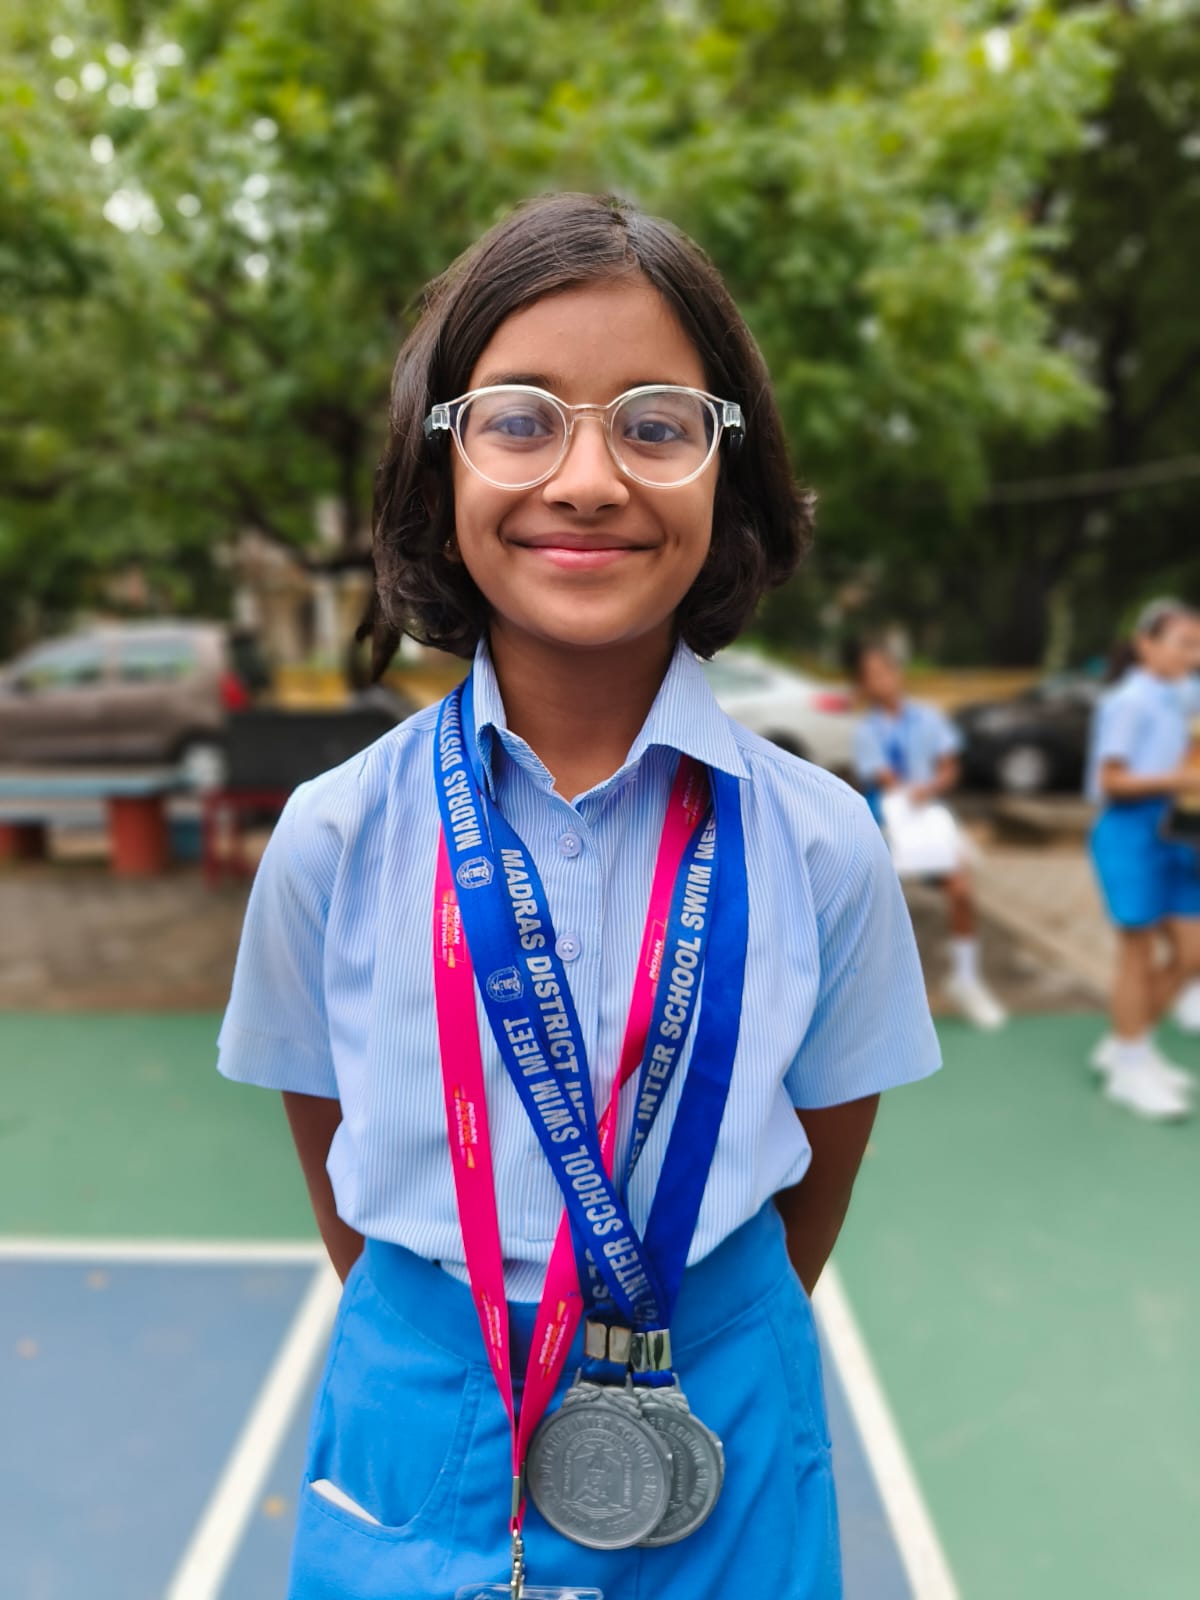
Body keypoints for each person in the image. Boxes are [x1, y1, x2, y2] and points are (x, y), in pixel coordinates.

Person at [217, 193, 941, 1600]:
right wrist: (464, 1333)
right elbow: (334, 1157)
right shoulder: (332, 837)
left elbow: (821, 1178)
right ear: (443, 466)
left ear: (727, 469)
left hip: (719, 1394)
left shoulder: (824, 846)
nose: (591, 478)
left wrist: (684, 1316)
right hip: (428, 1396)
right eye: (522, 418)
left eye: (657, 423)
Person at [846, 637, 1007, 1030]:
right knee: (880, 909)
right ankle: (876, 999)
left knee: (962, 890)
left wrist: (929, 789)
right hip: (885, 822)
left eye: (888, 670)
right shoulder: (866, 731)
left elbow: (949, 768)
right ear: (864, 685)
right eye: (874, 676)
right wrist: (905, 792)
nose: (884, 680)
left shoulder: (929, 718)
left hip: (928, 817)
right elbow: (884, 779)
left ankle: (966, 979)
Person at [1088, 597, 1200, 1119]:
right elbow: (1109, 782)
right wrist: (1177, 779)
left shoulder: (1188, 696)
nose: (1193, 654)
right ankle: (1130, 1066)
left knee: (1191, 950)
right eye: (1184, 643)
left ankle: (1129, 1041)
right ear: (1146, 645)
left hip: (1180, 836)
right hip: (1130, 835)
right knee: (1136, 953)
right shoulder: (1127, 701)